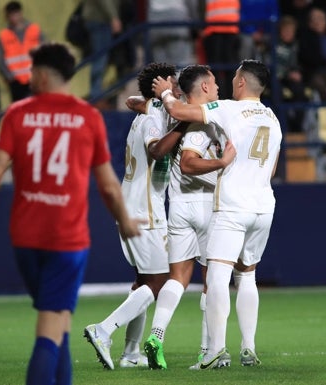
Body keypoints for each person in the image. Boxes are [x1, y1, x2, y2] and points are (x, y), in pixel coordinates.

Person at [0, 42, 142, 385]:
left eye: (31, 72)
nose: (29, 77)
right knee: (50, 325)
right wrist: (126, 220)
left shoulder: (18, 113)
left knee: (59, 322)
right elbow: (108, 185)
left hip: (25, 239)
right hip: (66, 240)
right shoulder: (87, 117)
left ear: (42, 75)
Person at [152, 59, 282, 369]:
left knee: (219, 275)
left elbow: (180, 112)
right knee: (247, 275)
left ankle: (214, 351)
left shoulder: (230, 109)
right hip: (264, 205)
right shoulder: (273, 118)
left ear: (240, 83)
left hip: (233, 205)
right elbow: (273, 167)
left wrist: (167, 94)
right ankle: (248, 348)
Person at [83, 62, 184, 370]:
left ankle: (130, 353)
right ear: (161, 83)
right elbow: (156, 150)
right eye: (172, 81)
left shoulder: (150, 111)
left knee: (143, 280)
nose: (177, 86)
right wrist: (182, 127)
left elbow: (134, 102)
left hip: (136, 205)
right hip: (146, 210)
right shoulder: (153, 117)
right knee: (161, 280)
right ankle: (104, 330)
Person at [141, 64, 236, 370]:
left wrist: (154, 98)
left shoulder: (174, 113)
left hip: (178, 204)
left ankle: (156, 335)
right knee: (212, 281)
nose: (219, 89)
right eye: (215, 84)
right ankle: (208, 351)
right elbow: (189, 163)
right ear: (205, 88)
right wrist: (222, 162)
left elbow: (141, 102)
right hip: (207, 205)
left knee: (178, 278)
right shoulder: (204, 120)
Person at [0, 1, 44, 102]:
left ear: (20, 13)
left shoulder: (34, 30)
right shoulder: (4, 35)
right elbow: (1, 60)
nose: (14, 17)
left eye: (15, 14)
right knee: (20, 112)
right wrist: (10, 77)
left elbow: (45, 52)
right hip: (16, 82)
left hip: (35, 78)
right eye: (11, 15)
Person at [82, 0, 122, 100]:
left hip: (97, 19)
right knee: (100, 58)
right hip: (100, 20)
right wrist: (113, 17)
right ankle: (96, 95)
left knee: (101, 58)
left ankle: (96, 93)